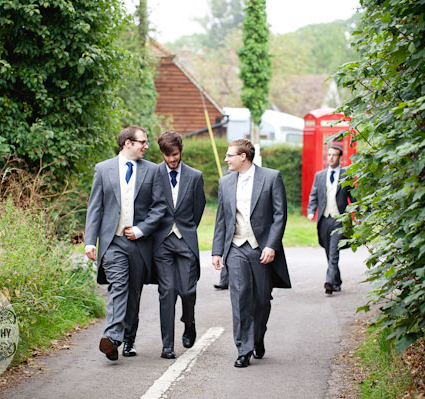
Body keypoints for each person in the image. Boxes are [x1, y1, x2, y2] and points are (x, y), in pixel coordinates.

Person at [84, 125, 166, 361]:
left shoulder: (152, 171)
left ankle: (127, 339)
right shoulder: (103, 169)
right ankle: (111, 338)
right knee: (118, 286)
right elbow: (95, 207)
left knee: (133, 293)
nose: (146, 146)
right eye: (143, 142)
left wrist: (141, 230)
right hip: (112, 242)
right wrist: (90, 241)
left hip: (140, 244)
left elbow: (159, 206)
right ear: (127, 143)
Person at [211, 139, 291, 368]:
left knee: (262, 300)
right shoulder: (225, 183)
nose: (226, 159)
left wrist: (271, 245)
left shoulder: (271, 177)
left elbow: (279, 215)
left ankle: (257, 339)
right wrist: (217, 251)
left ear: (243, 157)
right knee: (239, 297)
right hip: (236, 247)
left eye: (230, 155)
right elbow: (221, 220)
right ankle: (243, 349)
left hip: (261, 248)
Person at [152, 131, 206, 359]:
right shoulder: (154, 173)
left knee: (187, 290)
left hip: (185, 239)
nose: (172, 160)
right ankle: (167, 346)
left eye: (175, 154)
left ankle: (189, 321)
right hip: (162, 242)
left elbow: (199, 208)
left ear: (181, 150)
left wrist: (186, 228)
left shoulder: (195, 176)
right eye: (167, 156)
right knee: (167, 292)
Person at [307, 145, 355, 295]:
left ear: (340, 157)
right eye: (329, 155)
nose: (331, 158)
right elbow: (314, 195)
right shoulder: (320, 175)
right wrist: (311, 211)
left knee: (334, 251)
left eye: (334, 155)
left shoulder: (347, 175)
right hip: (324, 219)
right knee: (329, 252)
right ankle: (337, 281)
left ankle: (329, 282)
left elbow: (353, 197)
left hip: (340, 219)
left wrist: (358, 214)